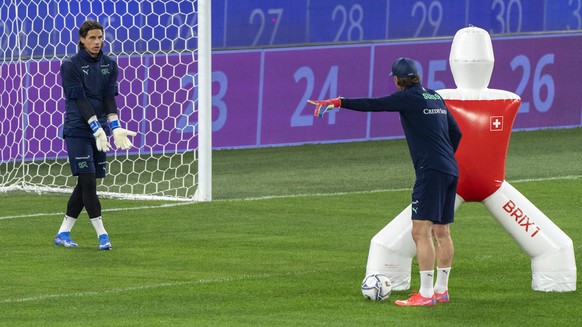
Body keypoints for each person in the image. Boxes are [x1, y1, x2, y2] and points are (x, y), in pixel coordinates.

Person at [308, 57, 462, 306]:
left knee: (420, 232)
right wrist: (443, 157)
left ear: (397, 80)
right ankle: (441, 290)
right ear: (418, 76)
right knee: (442, 232)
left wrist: (339, 102)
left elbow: (374, 104)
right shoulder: (435, 96)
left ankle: (425, 295)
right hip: (450, 169)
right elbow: (457, 133)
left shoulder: (407, 98)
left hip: (431, 171)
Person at [53, 20, 136, 250]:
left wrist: (115, 127)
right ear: (82, 39)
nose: (97, 42)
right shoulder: (70, 65)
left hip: (99, 130)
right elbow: (79, 100)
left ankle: (63, 233)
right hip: (78, 130)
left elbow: (109, 98)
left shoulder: (110, 64)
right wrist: (96, 129)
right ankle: (103, 235)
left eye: (100, 37)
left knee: (87, 182)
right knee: (88, 180)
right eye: (92, 38)